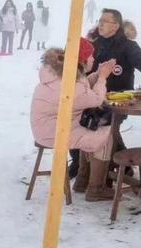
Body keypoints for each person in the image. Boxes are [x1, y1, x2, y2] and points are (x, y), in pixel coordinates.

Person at [30, 39, 118, 202]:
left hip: (46, 129)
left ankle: (82, 180)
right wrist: (102, 78)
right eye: (91, 57)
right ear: (83, 59)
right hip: (55, 133)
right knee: (106, 136)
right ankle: (95, 188)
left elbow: (81, 87)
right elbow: (97, 99)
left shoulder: (59, 74)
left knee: (90, 131)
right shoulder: (70, 83)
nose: (93, 60)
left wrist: (97, 74)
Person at [90, 8, 141, 91]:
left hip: (120, 97)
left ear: (116, 26)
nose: (101, 24)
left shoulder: (127, 46)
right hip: (92, 97)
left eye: (105, 21)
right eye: (100, 21)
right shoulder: (93, 45)